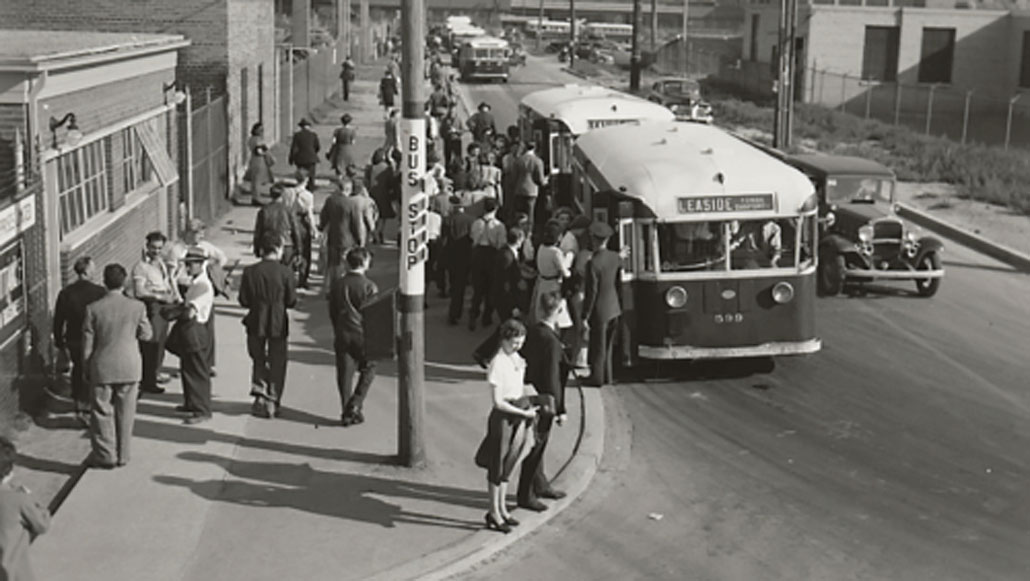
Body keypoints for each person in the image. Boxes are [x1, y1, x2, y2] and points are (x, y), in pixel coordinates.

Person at [83, 263, 153, 468]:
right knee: (126, 412)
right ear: (124, 282)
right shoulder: (137, 307)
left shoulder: (93, 309)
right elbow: (147, 335)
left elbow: (87, 344)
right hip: (130, 365)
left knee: (102, 412)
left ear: (104, 282)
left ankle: (106, 455)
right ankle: (123, 455)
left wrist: (87, 367)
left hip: (102, 366)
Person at [474, 319, 538, 534]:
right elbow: (498, 401)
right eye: (514, 343)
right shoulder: (498, 363)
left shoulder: (516, 358)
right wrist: (523, 412)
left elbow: (520, 386)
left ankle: (502, 509)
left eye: (521, 342)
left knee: (509, 463)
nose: (517, 347)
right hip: (503, 418)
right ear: (504, 340)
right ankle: (493, 511)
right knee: (497, 466)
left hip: (517, 412)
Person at [517, 291, 570, 512]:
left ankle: (540, 484)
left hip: (530, 395)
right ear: (558, 311)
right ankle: (526, 494)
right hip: (543, 401)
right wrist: (559, 409)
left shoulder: (533, 332)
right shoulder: (551, 342)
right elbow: (552, 378)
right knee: (535, 448)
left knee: (535, 446)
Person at [239, 235, 298, 418]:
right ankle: (273, 398)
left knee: (258, 357)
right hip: (278, 320)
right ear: (278, 249)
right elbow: (291, 301)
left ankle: (259, 393)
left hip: (256, 318)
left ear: (262, 251)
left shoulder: (250, 271)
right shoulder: (286, 272)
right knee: (278, 360)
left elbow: (244, 300)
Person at [165, 218, 228, 378]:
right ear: (189, 232)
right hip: (185, 288)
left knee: (207, 329)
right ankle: (186, 362)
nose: (201, 236)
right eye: (198, 233)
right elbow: (171, 276)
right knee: (186, 331)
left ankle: (207, 363)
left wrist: (215, 272)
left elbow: (222, 257)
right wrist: (177, 296)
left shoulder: (205, 247)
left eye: (202, 233)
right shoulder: (177, 250)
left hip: (203, 288)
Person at [328, 248, 379, 427]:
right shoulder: (369, 286)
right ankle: (355, 403)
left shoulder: (337, 284)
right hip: (362, 333)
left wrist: (337, 328)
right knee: (369, 367)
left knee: (344, 372)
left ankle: (346, 411)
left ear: (348, 263)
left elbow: (332, 311)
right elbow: (373, 315)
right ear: (364, 262)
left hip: (342, 332)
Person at [52, 256, 106, 424]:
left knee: (78, 369)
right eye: (93, 267)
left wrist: (60, 342)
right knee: (94, 369)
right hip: (96, 337)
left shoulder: (66, 293)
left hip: (74, 338)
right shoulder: (100, 292)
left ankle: (79, 402)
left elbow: (58, 320)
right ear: (87, 271)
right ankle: (93, 402)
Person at [131, 231, 178, 395]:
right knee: (152, 344)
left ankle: (155, 373)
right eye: (153, 248)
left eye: (159, 248)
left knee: (161, 343)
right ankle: (148, 380)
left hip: (165, 305)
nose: (156, 251)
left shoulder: (161, 264)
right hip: (153, 306)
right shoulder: (141, 267)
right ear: (147, 246)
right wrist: (158, 296)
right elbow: (139, 291)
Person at [0, 438, 51, 581]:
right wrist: (33, 500)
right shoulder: (20, 499)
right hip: (14, 568)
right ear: (9, 469)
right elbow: (42, 526)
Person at [174, 247, 215, 425]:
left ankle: (202, 409)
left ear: (201, 264)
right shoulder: (196, 282)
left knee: (197, 370)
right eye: (187, 264)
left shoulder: (203, 286)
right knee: (187, 368)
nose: (188, 268)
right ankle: (191, 402)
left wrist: (176, 311)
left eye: (191, 264)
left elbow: (191, 311)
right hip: (190, 330)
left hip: (196, 328)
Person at [582, 222, 622, 387]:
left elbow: (592, 292)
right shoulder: (615, 257)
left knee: (598, 347)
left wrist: (585, 315)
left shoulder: (593, 263)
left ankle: (596, 378)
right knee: (608, 347)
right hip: (614, 308)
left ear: (594, 240)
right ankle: (607, 376)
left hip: (599, 311)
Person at [468, 198, 507, 331]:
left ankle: (473, 315)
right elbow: (501, 243)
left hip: (478, 253)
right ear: (496, 209)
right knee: (491, 287)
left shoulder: (476, 223)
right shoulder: (499, 225)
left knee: (478, 288)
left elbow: (472, 237)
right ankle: (487, 317)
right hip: (492, 254)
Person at [531, 222, 573, 327]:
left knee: (541, 312)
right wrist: (569, 262)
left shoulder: (541, 247)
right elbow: (564, 272)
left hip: (542, 282)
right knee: (554, 313)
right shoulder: (555, 252)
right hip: (553, 284)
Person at [445, 197, 477, 325]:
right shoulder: (471, 220)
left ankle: (453, 305)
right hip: (465, 257)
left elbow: (444, 239)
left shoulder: (448, 220)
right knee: (460, 286)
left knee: (454, 283)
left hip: (450, 256)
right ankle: (455, 312)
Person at [254, 183, 301, 267]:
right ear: (282, 195)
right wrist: (299, 249)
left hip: (268, 244)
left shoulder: (264, 211)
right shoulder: (288, 210)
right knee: (285, 272)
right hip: (286, 244)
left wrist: (257, 248)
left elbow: (258, 231)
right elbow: (296, 230)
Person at [492, 227, 528, 323]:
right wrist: (512, 306)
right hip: (506, 299)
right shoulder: (507, 256)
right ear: (518, 240)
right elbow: (505, 282)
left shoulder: (507, 252)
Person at [289, 174, 318, 289]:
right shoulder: (308, 196)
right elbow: (309, 214)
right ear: (306, 180)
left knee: (293, 248)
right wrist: (313, 228)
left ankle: (291, 275)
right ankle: (303, 277)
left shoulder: (289, 193)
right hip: (302, 222)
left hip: (290, 221)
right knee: (305, 251)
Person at [511, 141, 548, 230]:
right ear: (535, 149)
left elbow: (513, 177)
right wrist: (546, 181)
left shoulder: (518, 160)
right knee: (530, 213)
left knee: (520, 213)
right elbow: (540, 179)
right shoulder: (538, 161)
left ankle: (518, 230)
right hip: (532, 191)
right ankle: (529, 232)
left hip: (519, 189)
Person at [367, 148, 396, 245]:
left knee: (373, 215)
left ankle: (373, 234)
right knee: (383, 216)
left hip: (372, 194)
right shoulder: (387, 168)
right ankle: (380, 232)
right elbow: (391, 182)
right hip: (384, 194)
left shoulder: (370, 168)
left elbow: (366, 182)